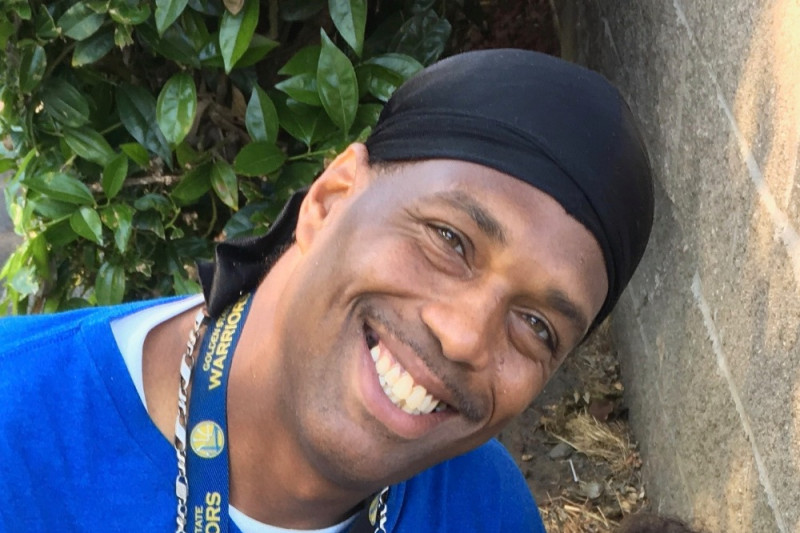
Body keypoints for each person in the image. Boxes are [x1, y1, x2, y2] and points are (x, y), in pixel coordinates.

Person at [0, 49, 653, 532]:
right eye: (450, 240)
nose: (464, 335)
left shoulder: (488, 513)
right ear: (329, 199)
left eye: (537, 326)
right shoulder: (19, 425)